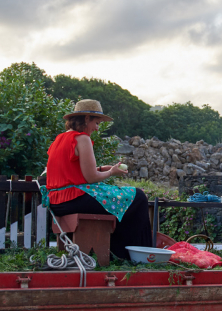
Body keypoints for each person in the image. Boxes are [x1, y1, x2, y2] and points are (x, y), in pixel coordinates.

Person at [44, 99, 152, 260]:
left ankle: (115, 250)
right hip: (74, 198)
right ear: (86, 119)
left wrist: (102, 169)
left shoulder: (58, 139)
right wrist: (112, 173)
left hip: (57, 202)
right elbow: (91, 178)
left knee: (124, 201)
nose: (97, 127)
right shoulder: (82, 139)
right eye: (97, 122)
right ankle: (135, 254)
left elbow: (72, 174)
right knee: (138, 196)